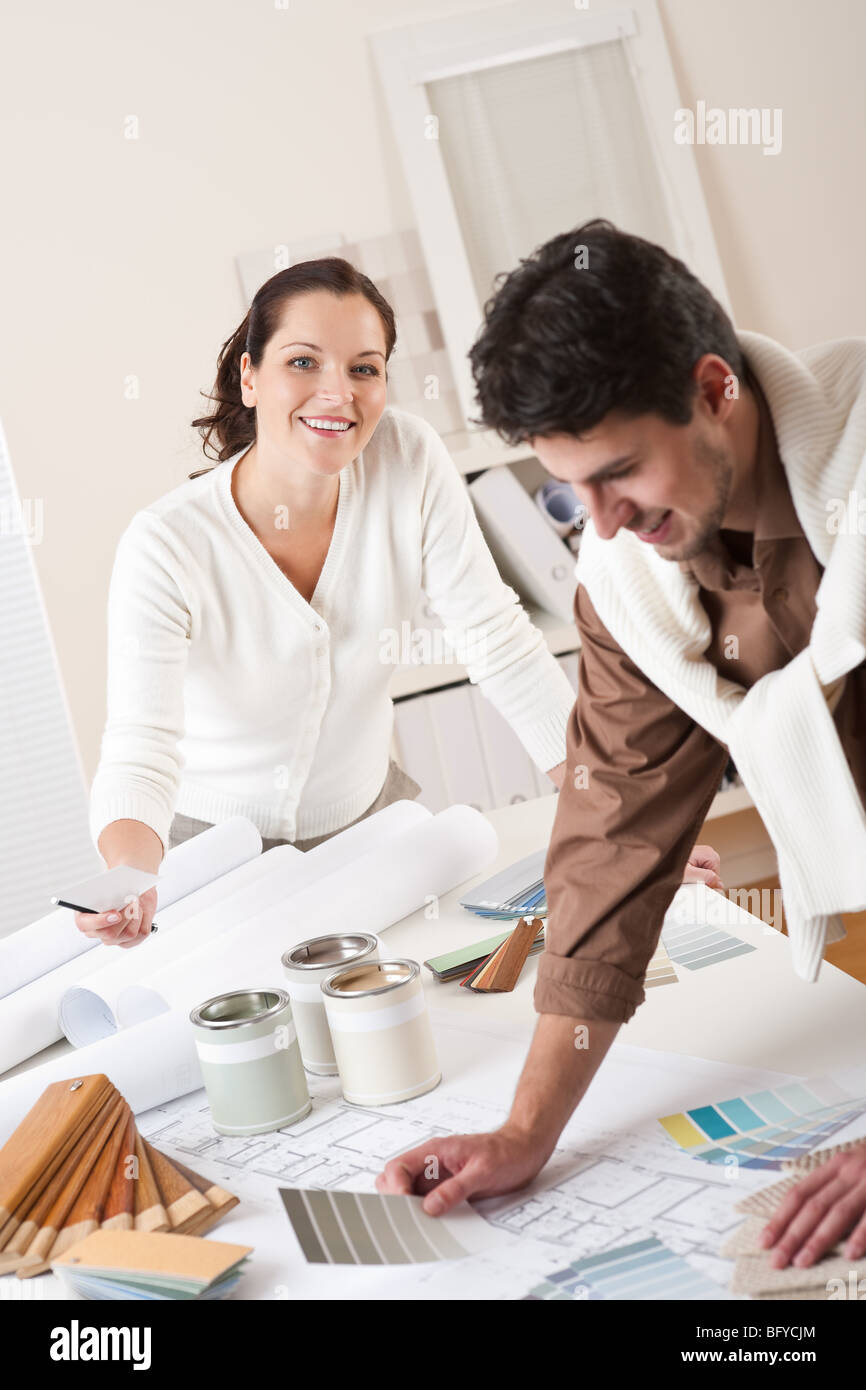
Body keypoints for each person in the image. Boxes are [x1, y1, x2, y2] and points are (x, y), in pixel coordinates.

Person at [376, 220, 866, 1274]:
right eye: (567, 490)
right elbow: (610, 842)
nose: (597, 523)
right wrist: (524, 1134)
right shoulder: (630, 580)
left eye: (618, 472)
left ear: (712, 389)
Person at [78, 258, 582, 949]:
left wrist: (612, 814)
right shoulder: (167, 543)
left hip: (373, 824)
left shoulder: (408, 457)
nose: (336, 394)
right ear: (250, 377)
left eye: (363, 369)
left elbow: (497, 640)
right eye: (304, 362)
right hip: (209, 852)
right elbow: (140, 748)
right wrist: (130, 877)